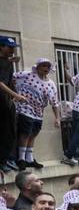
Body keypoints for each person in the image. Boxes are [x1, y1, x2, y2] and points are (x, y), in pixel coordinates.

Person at [12, 57, 59, 169]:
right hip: (25, 108)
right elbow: (10, 77)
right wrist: (15, 93)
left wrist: (57, 118)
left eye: (48, 66)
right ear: (37, 67)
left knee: (33, 134)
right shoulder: (27, 75)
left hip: (39, 112)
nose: (46, 68)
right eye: (43, 66)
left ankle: (29, 158)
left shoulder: (51, 84)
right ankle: (21, 158)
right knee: (25, 133)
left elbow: (54, 102)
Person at [0, 36, 26, 175]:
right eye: (9, 47)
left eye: (13, 47)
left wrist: (15, 94)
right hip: (2, 102)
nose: (12, 50)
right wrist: (15, 95)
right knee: (5, 131)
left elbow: (9, 82)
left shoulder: (7, 63)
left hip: (7, 101)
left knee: (10, 131)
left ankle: (6, 160)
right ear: (1, 47)